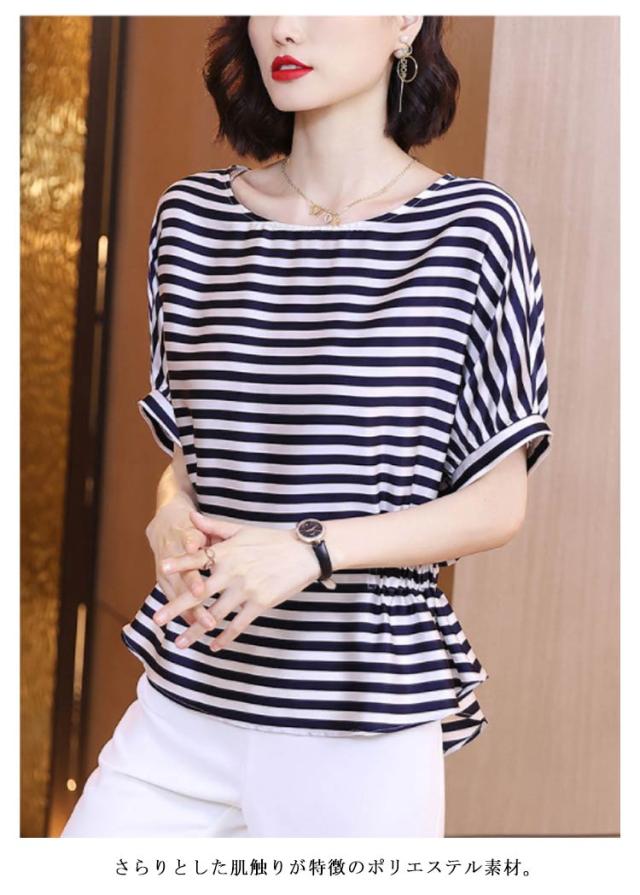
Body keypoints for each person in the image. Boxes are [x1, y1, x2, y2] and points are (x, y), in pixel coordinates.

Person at [61, 14, 552, 838]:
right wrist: (170, 510)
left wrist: (309, 549)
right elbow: (192, 455)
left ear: (404, 20)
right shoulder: (190, 221)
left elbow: (495, 506)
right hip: (190, 692)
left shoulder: (473, 231)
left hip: (356, 713)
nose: (285, 26)